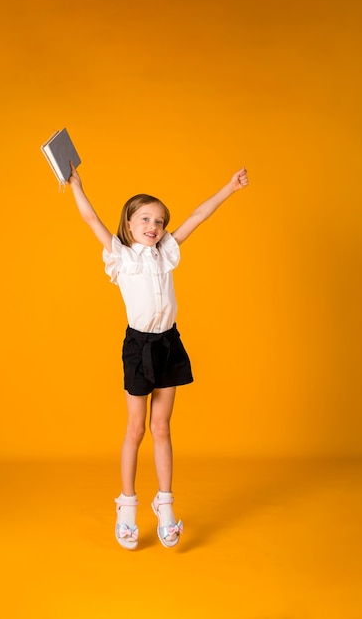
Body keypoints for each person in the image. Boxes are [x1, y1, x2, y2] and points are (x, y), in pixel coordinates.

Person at [68, 161, 249, 550]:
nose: (155, 226)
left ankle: (165, 505)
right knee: (136, 430)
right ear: (129, 224)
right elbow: (90, 218)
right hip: (139, 347)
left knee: (162, 428)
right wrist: (76, 184)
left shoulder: (165, 252)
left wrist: (229, 188)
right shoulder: (121, 257)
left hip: (169, 343)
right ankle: (127, 506)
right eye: (146, 218)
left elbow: (198, 216)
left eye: (161, 221)